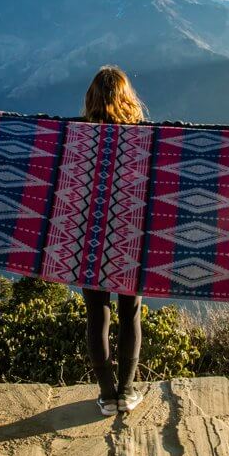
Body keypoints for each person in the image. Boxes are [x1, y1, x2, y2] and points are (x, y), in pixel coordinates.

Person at [81, 65, 146, 416]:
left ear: (91, 99)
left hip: (87, 241)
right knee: (130, 313)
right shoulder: (144, 141)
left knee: (97, 316)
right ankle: (127, 391)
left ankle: (106, 395)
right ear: (126, 98)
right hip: (130, 239)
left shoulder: (75, 137)